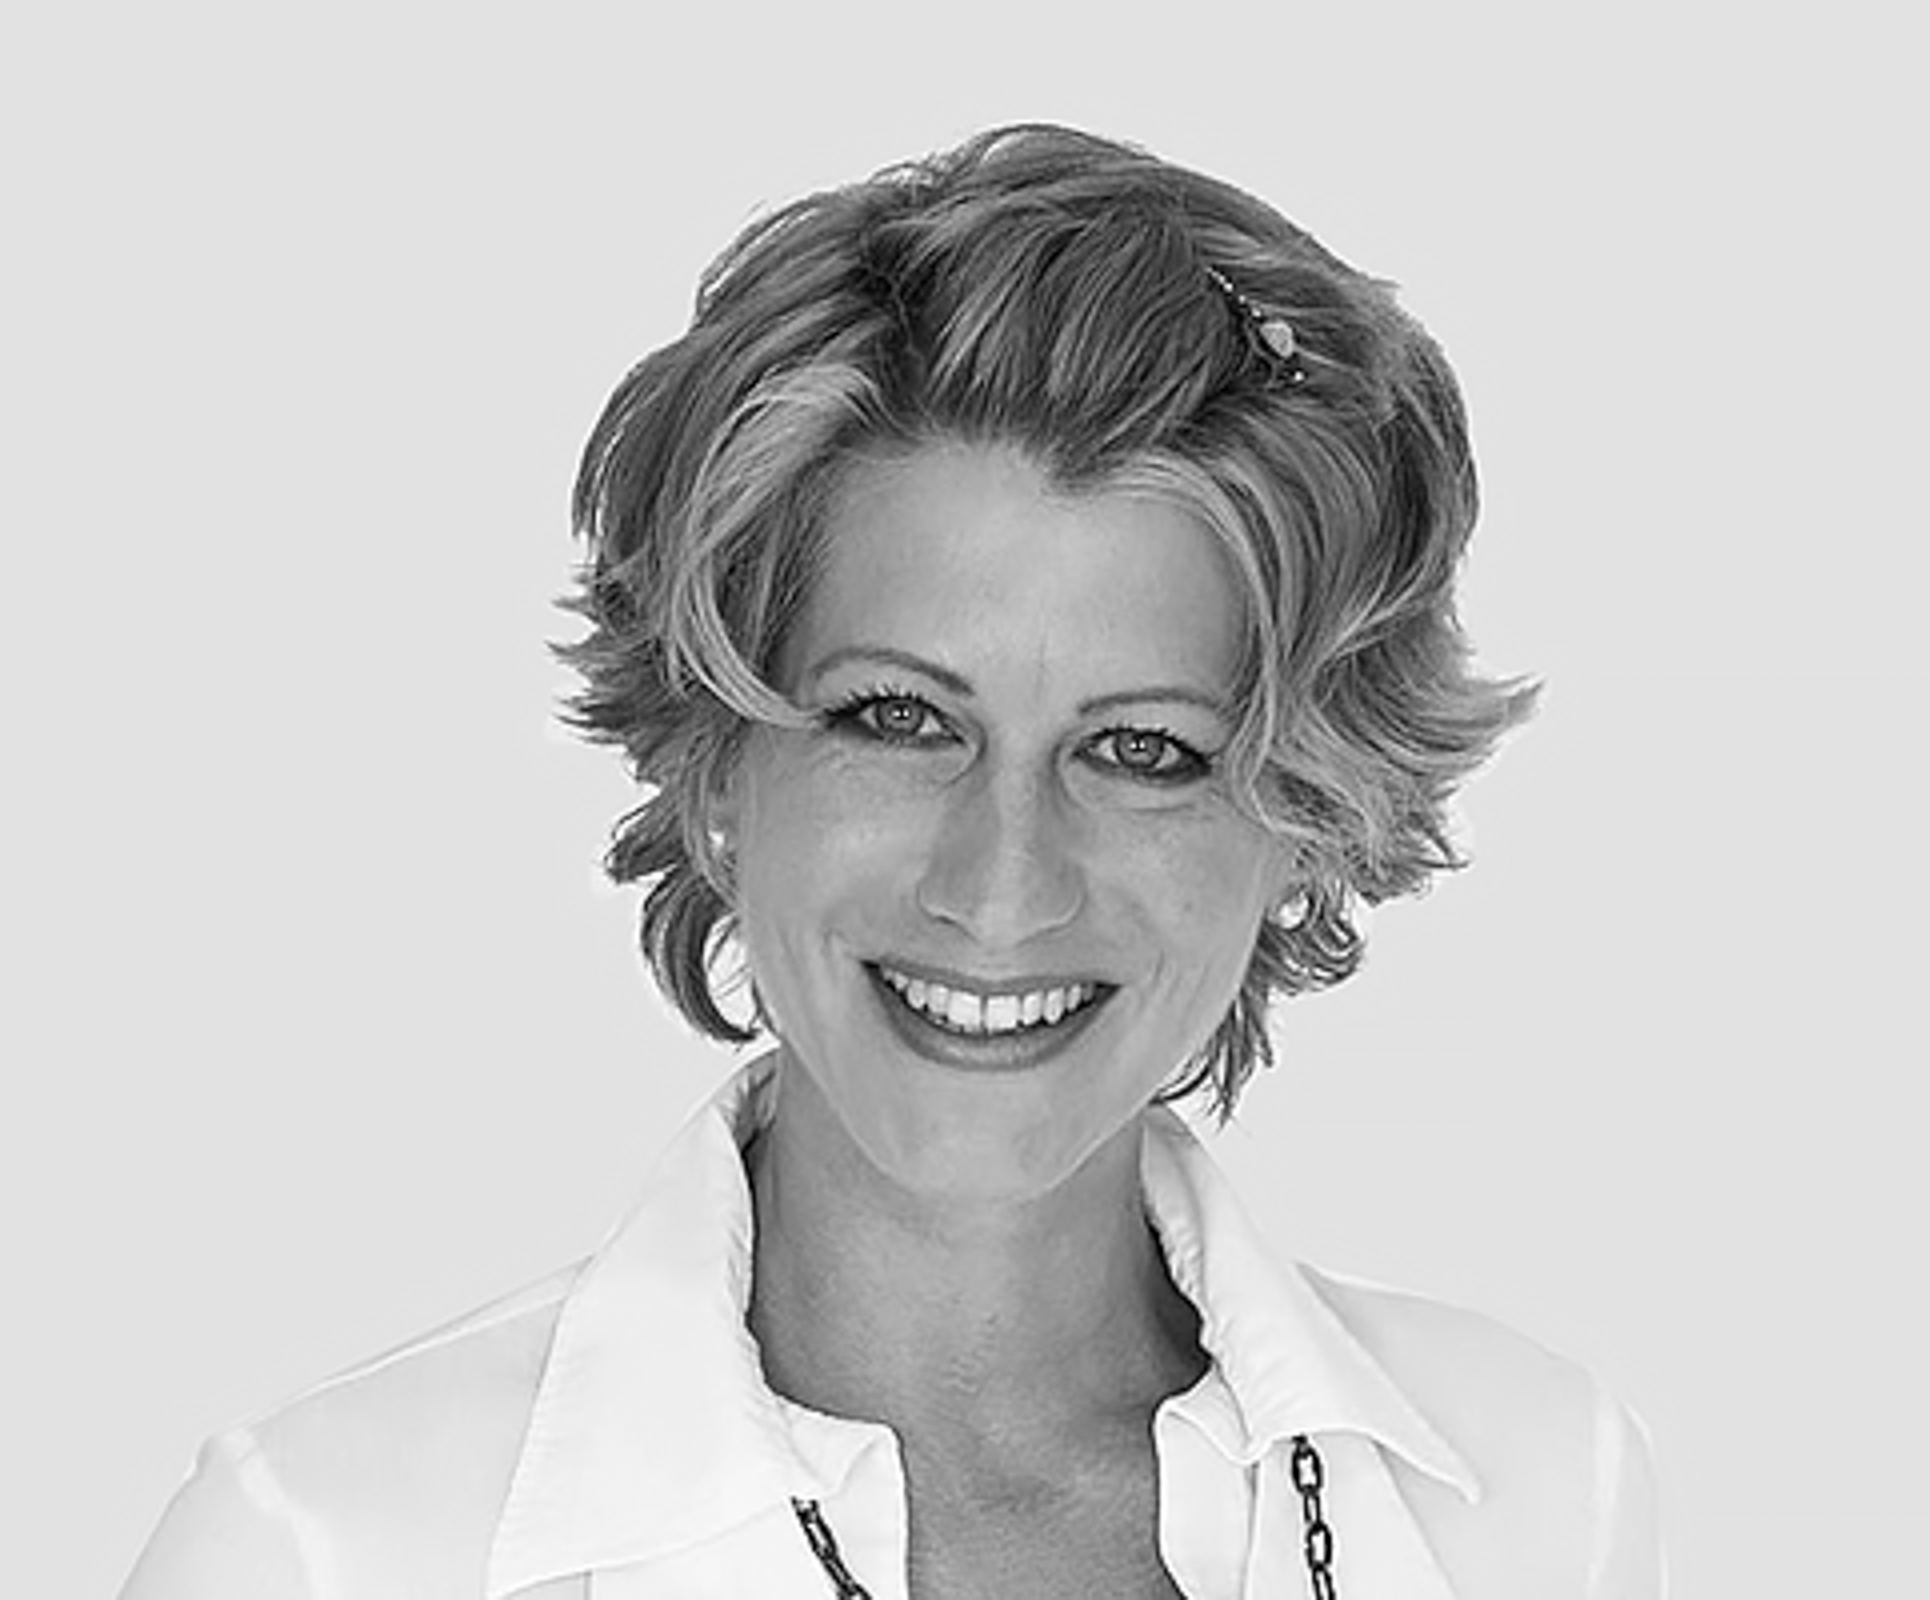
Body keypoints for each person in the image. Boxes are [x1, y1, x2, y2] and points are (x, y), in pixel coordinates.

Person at [122, 124, 1663, 1598]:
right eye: (900, 719)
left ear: (1305, 826)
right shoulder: (327, 1551)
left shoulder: (1530, 1493)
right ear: (718, 768)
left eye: (1143, 749)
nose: (1001, 885)